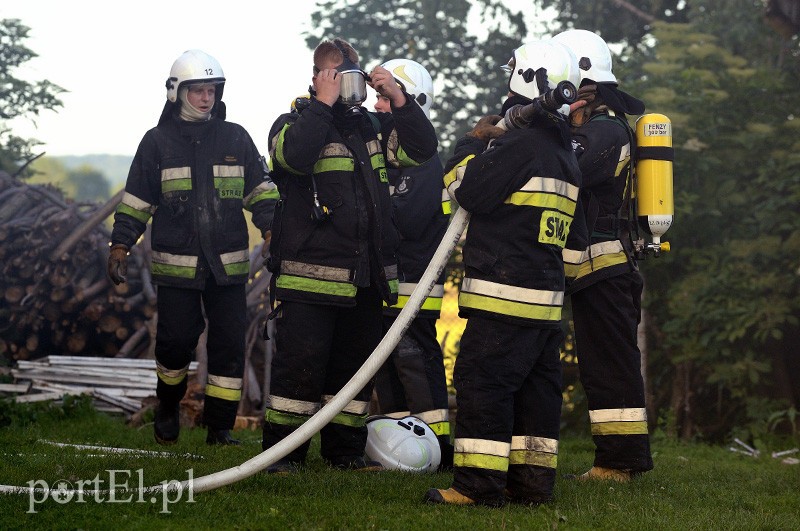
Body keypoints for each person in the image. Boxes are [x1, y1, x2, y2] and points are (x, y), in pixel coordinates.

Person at [261, 38, 438, 472]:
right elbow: (294, 158)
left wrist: (398, 99)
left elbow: (420, 150)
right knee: (299, 373)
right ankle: (284, 455)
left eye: (358, 76)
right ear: (323, 77)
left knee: (352, 375)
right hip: (310, 279)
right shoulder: (292, 122)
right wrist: (321, 105)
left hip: (363, 277)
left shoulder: (368, 129)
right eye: (345, 77)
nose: (355, 87)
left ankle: (344, 454)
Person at [424, 40, 581, 506]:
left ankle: (476, 487)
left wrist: (472, 142)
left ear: (525, 79)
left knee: (484, 385)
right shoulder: (564, 153)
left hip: (502, 295)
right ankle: (531, 484)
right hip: (545, 302)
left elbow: (465, 191)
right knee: (537, 393)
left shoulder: (521, 144)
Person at [107, 49, 277, 446]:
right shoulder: (157, 143)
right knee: (174, 342)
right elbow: (136, 202)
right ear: (176, 92)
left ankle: (219, 427)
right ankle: (168, 405)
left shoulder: (236, 138)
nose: (206, 98)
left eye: (211, 90)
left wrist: (272, 231)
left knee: (228, 348)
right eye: (197, 90)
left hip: (228, 268)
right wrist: (120, 245)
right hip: (177, 269)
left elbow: (261, 193)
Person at [552, 28, 654, 482]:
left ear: (583, 81)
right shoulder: (592, 127)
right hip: (589, 269)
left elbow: (569, 166)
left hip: (606, 267)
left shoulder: (607, 130)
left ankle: (620, 462)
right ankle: (616, 459)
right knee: (600, 363)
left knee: (610, 365)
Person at [370, 58, 454, 470]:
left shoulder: (423, 161)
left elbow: (409, 219)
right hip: (393, 280)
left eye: (384, 99)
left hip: (415, 281)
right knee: (387, 362)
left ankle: (437, 442)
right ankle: (400, 441)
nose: (377, 106)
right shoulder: (388, 153)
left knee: (415, 357)